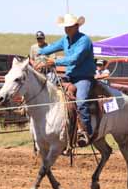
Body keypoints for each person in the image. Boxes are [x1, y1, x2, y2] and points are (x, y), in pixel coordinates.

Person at [36, 13, 96, 147]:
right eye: (65, 27)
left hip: (83, 77)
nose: (66, 29)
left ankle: (85, 131)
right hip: (69, 77)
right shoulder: (65, 39)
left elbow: (75, 59)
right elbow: (51, 48)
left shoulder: (84, 40)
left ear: (76, 26)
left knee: (81, 101)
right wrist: (40, 52)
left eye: (68, 26)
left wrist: (54, 61)